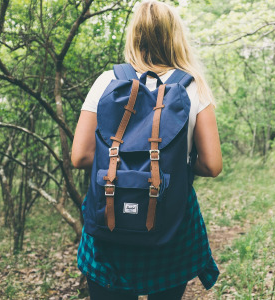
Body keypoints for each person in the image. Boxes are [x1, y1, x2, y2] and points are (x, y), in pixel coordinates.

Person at [71, 1, 222, 299]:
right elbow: (212, 165)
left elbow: (80, 156)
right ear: (175, 36)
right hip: (170, 222)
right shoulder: (194, 88)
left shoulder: (107, 81)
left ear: (134, 36)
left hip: (109, 218)